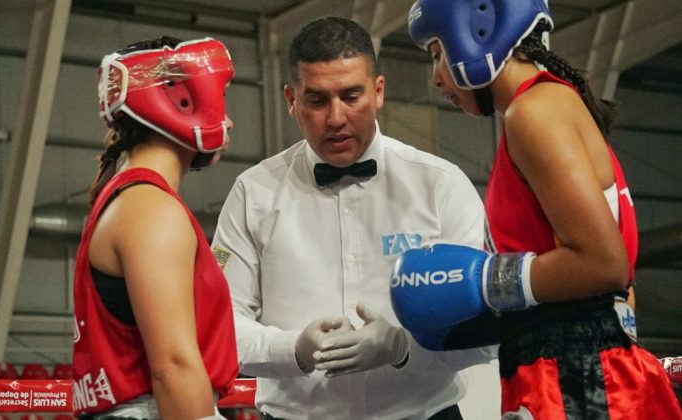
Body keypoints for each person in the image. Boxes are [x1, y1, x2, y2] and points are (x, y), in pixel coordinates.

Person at [392, 0, 682, 418]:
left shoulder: (535, 111)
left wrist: (483, 281)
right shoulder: (543, 108)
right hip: (575, 371)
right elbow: (613, 296)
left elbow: (605, 265)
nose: (436, 78)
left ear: (478, 32)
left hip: (577, 378)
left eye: (437, 54)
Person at [211, 16, 496, 420]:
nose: (336, 117)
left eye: (351, 96)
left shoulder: (440, 186)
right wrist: (293, 349)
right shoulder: (253, 193)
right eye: (317, 100)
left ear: (378, 91)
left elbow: (483, 331)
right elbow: (220, 329)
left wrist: (402, 347)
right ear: (291, 99)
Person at [72, 36, 239, 419]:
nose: (228, 120)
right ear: (183, 101)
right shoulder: (151, 209)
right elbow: (174, 365)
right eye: (222, 98)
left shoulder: (131, 198)